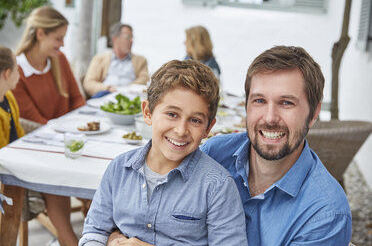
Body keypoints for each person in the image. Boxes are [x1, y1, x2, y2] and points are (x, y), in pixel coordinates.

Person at [108, 46, 352, 246]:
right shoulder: (213, 153)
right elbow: (145, 214)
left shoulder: (326, 214)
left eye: (286, 103)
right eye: (259, 100)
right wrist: (115, 238)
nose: (269, 117)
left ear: (314, 113)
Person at [79, 60, 247, 246]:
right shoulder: (119, 169)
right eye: (172, 114)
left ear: (208, 128)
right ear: (148, 112)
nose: (181, 130)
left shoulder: (218, 186)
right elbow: (94, 231)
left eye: (195, 120)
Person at [12, 6, 86, 245]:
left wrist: (79, 129)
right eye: (58, 38)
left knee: (101, 182)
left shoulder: (58, 59)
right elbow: (35, 123)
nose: (62, 45)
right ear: (40, 34)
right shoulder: (16, 71)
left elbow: (77, 99)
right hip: (39, 148)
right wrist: (68, 136)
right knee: (57, 176)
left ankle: (95, 235)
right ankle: (68, 241)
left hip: (68, 141)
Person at [83, 22, 149, 98]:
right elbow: (88, 83)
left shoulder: (141, 60)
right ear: (115, 39)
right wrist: (109, 88)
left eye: (132, 38)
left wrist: (126, 89)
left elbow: (145, 79)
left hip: (130, 97)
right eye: (128, 37)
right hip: (106, 96)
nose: (131, 41)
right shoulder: (99, 59)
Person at [0, 46, 24, 147]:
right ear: (7, 73)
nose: (19, 75)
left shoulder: (9, 96)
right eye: (17, 70)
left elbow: (20, 134)